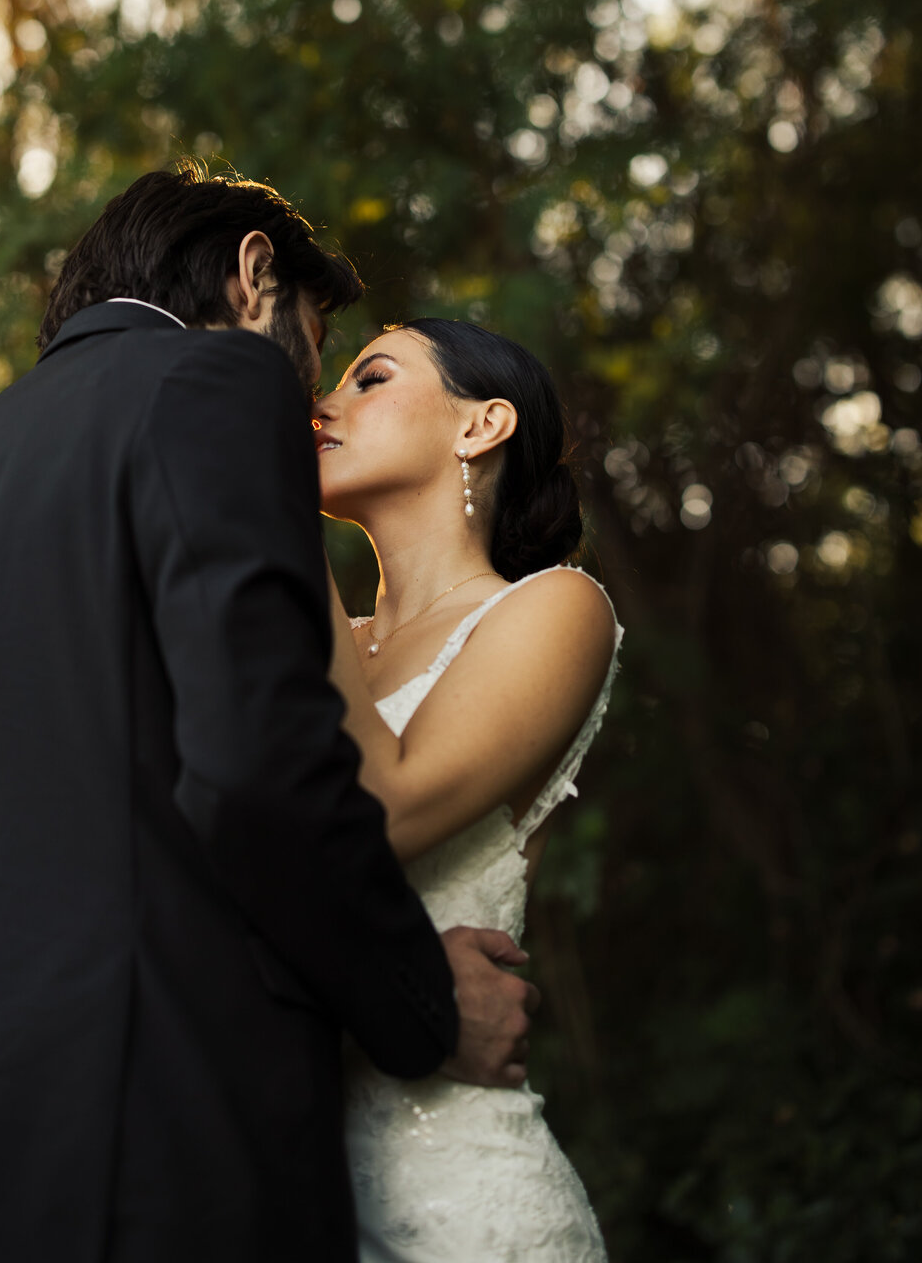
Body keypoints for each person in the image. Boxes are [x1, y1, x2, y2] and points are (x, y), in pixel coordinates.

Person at [0, 163, 537, 1263]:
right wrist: (423, 1005)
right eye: (314, 344)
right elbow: (262, 766)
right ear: (254, 278)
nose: (308, 400)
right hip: (160, 1142)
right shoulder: (217, 382)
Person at [313, 318, 622, 1262]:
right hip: (290, 1181)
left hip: (466, 1214)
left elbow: (376, 811)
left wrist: (274, 530)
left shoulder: (555, 608)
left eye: (369, 378)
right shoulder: (330, 637)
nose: (322, 404)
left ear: (481, 425)